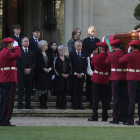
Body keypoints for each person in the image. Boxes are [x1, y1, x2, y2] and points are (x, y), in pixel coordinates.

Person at [105, 39, 129, 124]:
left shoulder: (111, 55)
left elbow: (106, 62)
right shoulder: (124, 54)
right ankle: (125, 117)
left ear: (113, 47)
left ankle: (116, 118)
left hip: (115, 78)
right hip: (124, 77)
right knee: (124, 98)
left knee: (116, 99)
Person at [0, 38, 21, 126]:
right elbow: (18, 55)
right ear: (8, 44)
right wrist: (17, 47)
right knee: (8, 101)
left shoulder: (2, 52)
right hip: (9, 78)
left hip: (4, 77)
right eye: (12, 43)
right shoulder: (7, 52)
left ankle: (2, 119)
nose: (13, 45)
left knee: (4, 100)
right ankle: (5, 121)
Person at [119, 40, 140, 125]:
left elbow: (120, 60)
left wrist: (127, 53)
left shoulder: (129, 55)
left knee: (131, 99)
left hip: (132, 78)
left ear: (131, 47)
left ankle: (130, 120)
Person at [88, 42, 110, 122]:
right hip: (105, 79)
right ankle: (105, 115)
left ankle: (95, 115)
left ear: (100, 49)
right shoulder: (108, 57)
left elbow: (92, 63)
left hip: (97, 78)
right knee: (105, 98)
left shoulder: (95, 56)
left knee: (95, 98)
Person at [82, 26, 100, 107]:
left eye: (94, 31)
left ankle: (96, 100)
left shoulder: (97, 40)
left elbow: (99, 50)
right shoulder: (85, 41)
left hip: (96, 62)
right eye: (92, 31)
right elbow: (84, 51)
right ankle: (89, 99)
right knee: (89, 82)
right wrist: (91, 55)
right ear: (89, 32)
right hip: (89, 61)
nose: (93, 33)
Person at [16, 37, 36, 109]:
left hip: (30, 74)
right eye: (25, 41)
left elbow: (34, 62)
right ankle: (20, 104)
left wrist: (30, 69)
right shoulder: (18, 51)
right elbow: (17, 62)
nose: (27, 42)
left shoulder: (31, 51)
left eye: (27, 41)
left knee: (29, 90)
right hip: (21, 73)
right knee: (20, 90)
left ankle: (28, 104)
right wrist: (25, 69)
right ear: (21, 43)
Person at [69, 40, 87, 110]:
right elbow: (70, 65)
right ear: (75, 46)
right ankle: (74, 105)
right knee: (74, 90)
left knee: (80, 91)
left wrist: (82, 73)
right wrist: (75, 73)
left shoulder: (84, 53)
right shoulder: (71, 53)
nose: (79, 47)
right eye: (78, 46)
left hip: (81, 76)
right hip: (74, 75)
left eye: (80, 46)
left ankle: (80, 105)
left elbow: (85, 65)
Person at [35, 40, 53, 109]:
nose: (44, 47)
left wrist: (50, 68)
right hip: (40, 74)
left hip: (48, 74)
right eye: (43, 45)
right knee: (41, 89)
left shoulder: (49, 53)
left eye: (45, 45)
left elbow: (52, 62)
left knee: (47, 88)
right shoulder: (37, 54)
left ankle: (45, 103)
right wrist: (43, 68)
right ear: (40, 46)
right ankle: (41, 103)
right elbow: (37, 63)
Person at [54, 45, 72, 109]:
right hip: (59, 78)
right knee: (59, 92)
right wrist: (61, 74)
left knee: (64, 92)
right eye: (61, 50)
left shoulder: (67, 59)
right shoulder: (56, 59)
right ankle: (58, 106)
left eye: (64, 50)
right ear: (58, 51)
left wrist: (68, 74)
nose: (63, 52)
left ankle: (64, 106)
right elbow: (55, 68)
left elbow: (70, 68)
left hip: (66, 78)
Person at [29, 27, 41, 95]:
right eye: (36, 32)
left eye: (39, 32)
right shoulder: (30, 41)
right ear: (33, 33)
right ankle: (31, 90)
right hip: (32, 61)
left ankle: (37, 90)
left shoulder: (41, 40)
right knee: (32, 77)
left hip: (39, 61)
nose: (38, 34)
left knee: (38, 77)